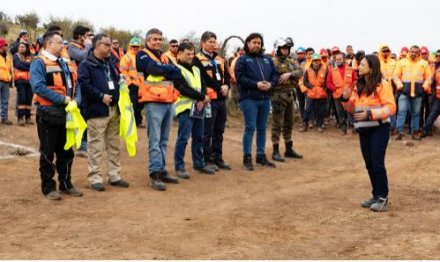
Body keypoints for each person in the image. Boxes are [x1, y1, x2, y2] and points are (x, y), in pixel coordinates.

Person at [30, 31, 82, 200]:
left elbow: (76, 83)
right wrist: (63, 99)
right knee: (48, 152)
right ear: (49, 44)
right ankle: (48, 187)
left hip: (67, 113)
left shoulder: (65, 62)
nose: (63, 45)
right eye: (59, 42)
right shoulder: (39, 63)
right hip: (48, 114)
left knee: (66, 151)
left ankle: (66, 184)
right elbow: (38, 87)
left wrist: (76, 100)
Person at [341, 55, 396, 212]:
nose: (358, 67)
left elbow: (391, 108)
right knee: (369, 164)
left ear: (371, 67)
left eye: (362, 65)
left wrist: (370, 115)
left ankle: (382, 198)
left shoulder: (382, 85)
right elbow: (352, 109)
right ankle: (376, 195)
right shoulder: (359, 86)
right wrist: (345, 99)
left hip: (379, 129)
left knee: (377, 163)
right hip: (364, 130)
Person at [77, 33, 130, 191]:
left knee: (114, 145)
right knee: (96, 146)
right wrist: (100, 96)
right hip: (97, 110)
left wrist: (121, 83)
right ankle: (95, 178)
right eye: (107, 45)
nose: (111, 47)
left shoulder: (111, 63)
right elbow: (84, 86)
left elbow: (115, 79)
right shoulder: (86, 65)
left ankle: (114, 175)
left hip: (114, 109)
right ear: (97, 46)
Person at [136, 28, 181, 191]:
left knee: (163, 140)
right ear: (147, 40)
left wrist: (165, 70)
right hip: (153, 101)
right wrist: (167, 70)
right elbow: (153, 69)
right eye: (154, 39)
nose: (158, 42)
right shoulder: (142, 55)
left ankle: (161, 169)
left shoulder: (163, 56)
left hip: (168, 101)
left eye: (160, 39)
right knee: (154, 140)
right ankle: (154, 173)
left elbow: (177, 73)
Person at [235, 33, 279, 170]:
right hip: (249, 99)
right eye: (254, 42)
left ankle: (261, 156)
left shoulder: (267, 59)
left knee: (262, 128)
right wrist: (256, 84)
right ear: (248, 44)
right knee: (250, 128)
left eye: (259, 43)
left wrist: (271, 84)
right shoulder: (242, 60)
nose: (257, 45)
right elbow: (239, 78)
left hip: (265, 98)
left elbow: (275, 74)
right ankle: (247, 157)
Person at [173, 42, 215, 179]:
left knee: (199, 137)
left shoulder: (196, 68)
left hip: (198, 107)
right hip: (185, 108)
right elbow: (182, 87)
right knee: (183, 138)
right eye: (188, 54)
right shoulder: (176, 69)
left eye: (192, 54)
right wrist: (201, 97)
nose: (191, 56)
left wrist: (202, 99)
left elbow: (203, 84)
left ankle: (199, 163)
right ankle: (179, 166)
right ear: (179, 54)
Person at [194, 31, 232, 170]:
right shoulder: (197, 59)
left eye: (214, 42)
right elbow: (203, 78)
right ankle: (207, 159)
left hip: (221, 99)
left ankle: (218, 158)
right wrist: (219, 87)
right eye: (210, 41)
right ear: (202, 43)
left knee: (219, 130)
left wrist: (227, 86)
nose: (213, 44)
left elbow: (227, 76)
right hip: (208, 100)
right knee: (207, 131)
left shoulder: (220, 60)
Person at [270, 37, 303, 162]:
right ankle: (275, 150)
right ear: (278, 49)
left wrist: (289, 74)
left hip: (290, 94)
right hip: (278, 95)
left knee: (289, 122)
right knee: (277, 123)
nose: (286, 51)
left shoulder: (291, 62)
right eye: (283, 48)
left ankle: (289, 148)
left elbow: (301, 71)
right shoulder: (272, 62)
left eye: (287, 48)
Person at [393, 45, 432, 140]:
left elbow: (429, 77)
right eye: (412, 51)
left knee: (416, 113)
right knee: (402, 112)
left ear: (419, 53)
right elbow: (395, 75)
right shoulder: (401, 62)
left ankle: (414, 132)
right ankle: (399, 132)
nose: (414, 53)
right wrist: (399, 85)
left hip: (418, 92)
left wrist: (425, 86)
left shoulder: (424, 63)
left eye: (416, 52)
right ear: (409, 52)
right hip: (404, 92)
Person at [68, 25, 94, 157]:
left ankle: (84, 144)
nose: (90, 38)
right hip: (76, 84)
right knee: (80, 112)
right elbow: (82, 57)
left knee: (86, 113)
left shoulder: (87, 47)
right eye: (88, 35)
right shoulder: (72, 47)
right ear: (80, 36)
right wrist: (89, 46)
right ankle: (81, 146)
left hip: (86, 82)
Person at [326, 52, 357, 135]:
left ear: (344, 59)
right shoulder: (332, 71)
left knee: (351, 112)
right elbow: (328, 83)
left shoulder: (351, 69)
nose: (338, 61)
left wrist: (350, 89)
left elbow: (355, 80)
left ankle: (355, 127)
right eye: (336, 59)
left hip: (349, 95)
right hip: (337, 95)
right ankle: (343, 129)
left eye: (340, 59)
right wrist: (334, 88)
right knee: (340, 113)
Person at [300, 53, 328, 132]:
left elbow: (327, 81)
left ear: (320, 61)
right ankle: (305, 125)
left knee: (320, 111)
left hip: (321, 94)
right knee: (308, 110)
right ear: (312, 61)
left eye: (317, 61)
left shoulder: (324, 70)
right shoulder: (308, 70)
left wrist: (323, 88)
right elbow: (304, 81)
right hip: (311, 93)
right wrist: (310, 87)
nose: (316, 62)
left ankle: (319, 126)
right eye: (314, 61)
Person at [120, 37, 144, 127]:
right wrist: (129, 82)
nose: (135, 48)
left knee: (140, 104)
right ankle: (132, 122)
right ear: (130, 46)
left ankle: (138, 121)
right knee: (132, 104)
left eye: (137, 46)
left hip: (141, 85)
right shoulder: (126, 57)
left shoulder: (141, 56)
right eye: (134, 46)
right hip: (132, 85)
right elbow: (123, 71)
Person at [13, 42, 34, 126]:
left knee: (29, 99)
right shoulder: (16, 56)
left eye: (23, 47)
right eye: (20, 47)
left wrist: (26, 64)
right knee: (22, 98)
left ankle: (28, 117)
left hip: (30, 81)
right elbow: (18, 65)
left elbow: (33, 65)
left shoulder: (30, 56)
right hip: (20, 80)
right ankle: (20, 118)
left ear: (26, 48)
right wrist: (29, 66)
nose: (21, 48)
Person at [378, 45, 397, 134]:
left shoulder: (394, 62)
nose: (386, 53)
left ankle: (392, 127)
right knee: (381, 108)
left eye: (387, 51)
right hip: (380, 89)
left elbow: (397, 75)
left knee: (391, 108)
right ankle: (381, 127)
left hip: (392, 89)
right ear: (381, 52)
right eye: (384, 51)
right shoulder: (377, 62)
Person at [422, 49, 440, 137]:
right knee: (432, 114)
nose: (438, 57)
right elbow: (431, 80)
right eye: (437, 55)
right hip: (437, 96)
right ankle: (426, 130)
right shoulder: (434, 67)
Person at [0, 38, 12, 125]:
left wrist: (11, 80)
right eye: (5, 45)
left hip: (6, 81)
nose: (6, 46)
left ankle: (4, 118)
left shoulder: (7, 57)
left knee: (5, 100)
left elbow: (9, 69)